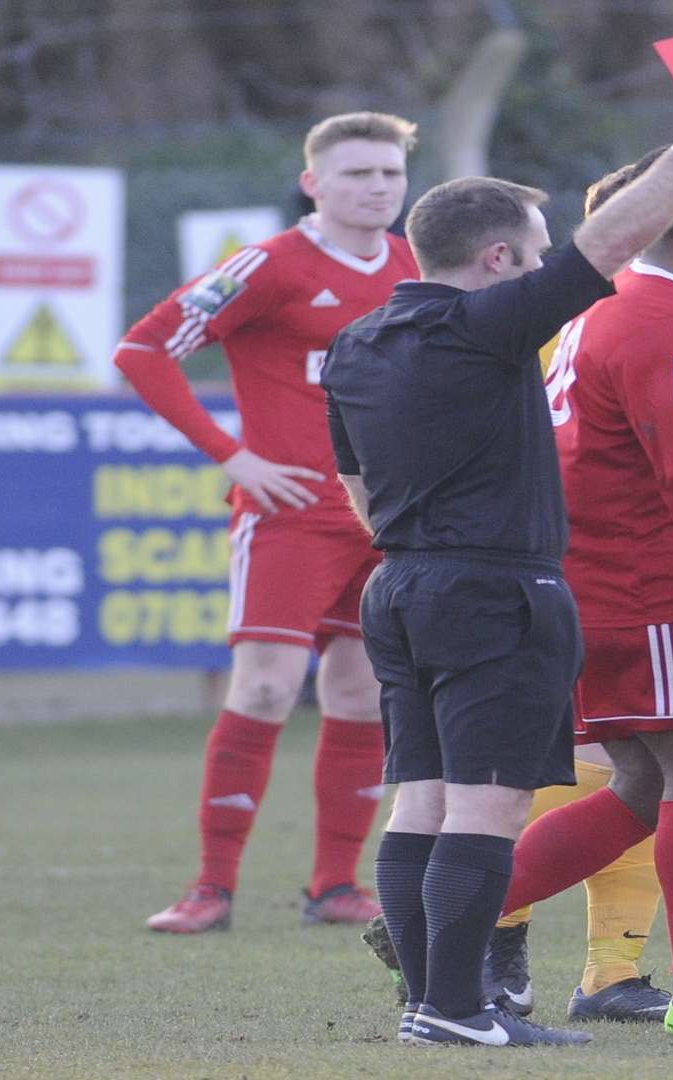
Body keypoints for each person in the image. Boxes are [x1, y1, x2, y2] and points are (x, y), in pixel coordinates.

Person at [322, 71, 673, 1049]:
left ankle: (429, 1008)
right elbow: (608, 247)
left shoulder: (355, 343)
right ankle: (459, 1009)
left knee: (420, 801)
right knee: (487, 804)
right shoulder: (486, 328)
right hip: (493, 587)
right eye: (536, 253)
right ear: (503, 257)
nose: (548, 268)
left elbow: (354, 487)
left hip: (396, 582)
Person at [473, 151, 673, 1026]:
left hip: (598, 585)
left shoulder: (604, 311)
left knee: (644, 789)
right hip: (655, 589)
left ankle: (443, 918)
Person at [118, 111, 419, 934]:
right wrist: (233, 455)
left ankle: (335, 886)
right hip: (288, 515)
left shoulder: (415, 265)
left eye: (390, 174)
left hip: (386, 520)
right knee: (264, 686)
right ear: (313, 182)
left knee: (361, 696)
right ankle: (210, 888)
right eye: (358, 174)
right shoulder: (268, 265)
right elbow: (143, 350)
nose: (378, 188)